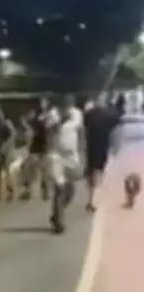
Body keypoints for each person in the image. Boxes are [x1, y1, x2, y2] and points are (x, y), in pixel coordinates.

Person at [48, 95, 84, 234]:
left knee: (71, 190)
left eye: (69, 105)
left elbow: (80, 132)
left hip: (71, 155)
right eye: (64, 105)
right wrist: (61, 121)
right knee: (59, 188)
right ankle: (59, 222)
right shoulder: (53, 114)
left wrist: (82, 151)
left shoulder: (77, 114)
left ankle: (57, 213)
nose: (67, 108)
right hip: (56, 155)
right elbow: (48, 131)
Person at [83, 93, 120, 213]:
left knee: (92, 175)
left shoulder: (89, 114)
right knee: (100, 175)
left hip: (91, 147)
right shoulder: (110, 116)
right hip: (103, 147)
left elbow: (85, 127)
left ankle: (92, 200)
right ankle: (96, 200)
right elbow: (117, 124)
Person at [0, 107, 17, 202]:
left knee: (6, 170)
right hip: (1, 151)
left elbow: (12, 136)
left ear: (2, 115)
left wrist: (6, 147)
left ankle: (10, 190)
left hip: (6, 150)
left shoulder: (7, 124)